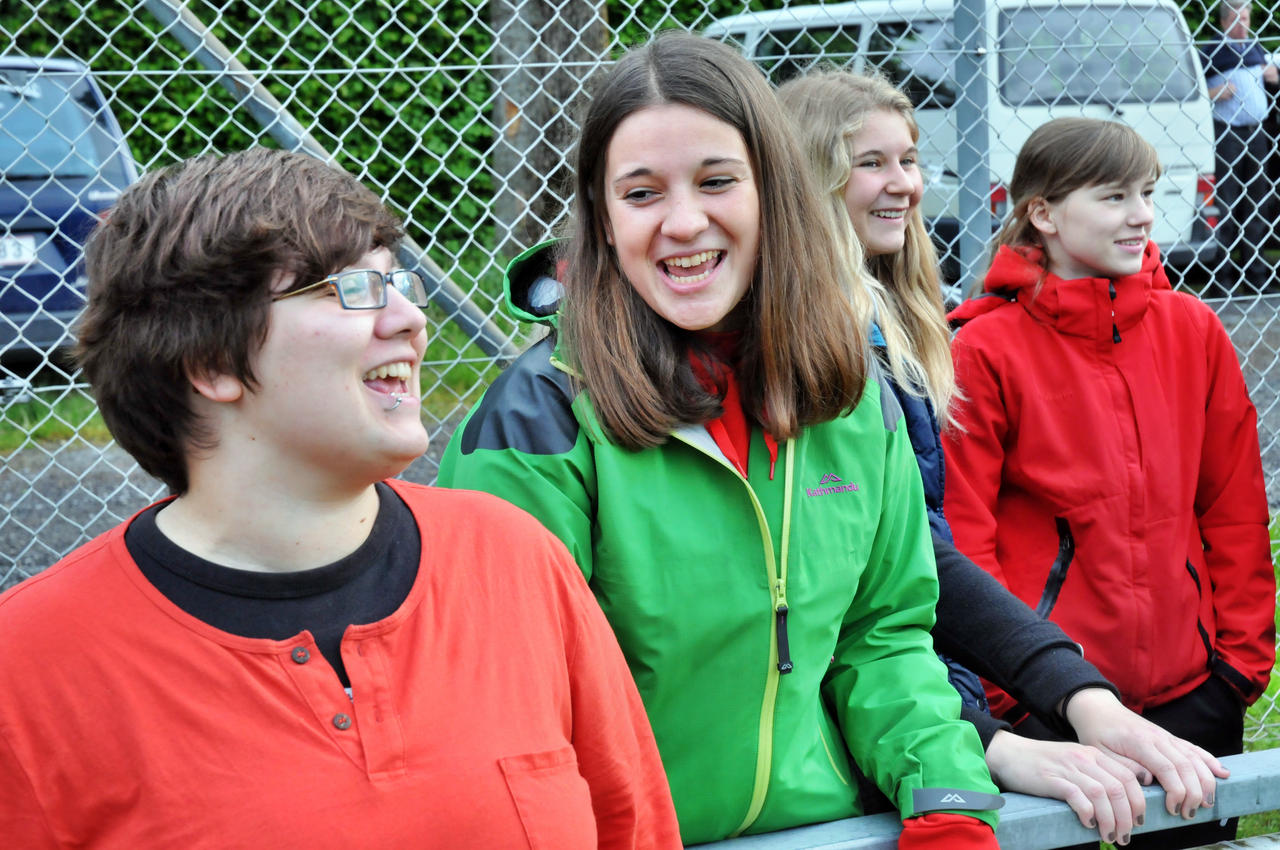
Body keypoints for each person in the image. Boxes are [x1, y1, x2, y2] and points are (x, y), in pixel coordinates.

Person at [0, 148, 682, 848]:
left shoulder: (514, 561)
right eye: (352, 289)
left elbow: (632, 827)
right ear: (210, 361)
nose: (411, 320)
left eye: (398, 283)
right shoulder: (30, 667)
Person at [439, 31, 1004, 849]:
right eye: (641, 193)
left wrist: (948, 804)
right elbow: (510, 709)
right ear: (603, 219)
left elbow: (882, 637)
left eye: (716, 181)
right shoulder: (536, 422)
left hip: (824, 831)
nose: (683, 222)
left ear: (775, 192)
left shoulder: (852, 394)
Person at [776, 69, 1232, 847]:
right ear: (805, 175)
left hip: (955, 708)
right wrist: (998, 726)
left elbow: (915, 564)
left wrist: (1083, 693)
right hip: (839, 745)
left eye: (909, 159)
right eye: (870, 163)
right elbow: (862, 600)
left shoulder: (894, 332)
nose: (904, 184)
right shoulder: (828, 353)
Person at [943, 116, 1276, 849]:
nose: (1142, 215)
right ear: (1043, 213)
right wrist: (1010, 693)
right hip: (1047, 710)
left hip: (1194, 696)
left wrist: (1237, 669)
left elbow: (1234, 512)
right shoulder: (983, 350)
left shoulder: (1194, 331)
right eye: (1115, 196)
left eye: (1147, 193)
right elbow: (964, 538)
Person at [1199, 0, 1279, 292]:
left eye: (1245, 19)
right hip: (1228, 134)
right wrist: (1213, 92)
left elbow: (1268, 80)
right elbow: (1193, 89)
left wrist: (1273, 77)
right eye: (1236, 20)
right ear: (1223, 22)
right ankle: (1221, 279)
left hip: (1256, 134)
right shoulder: (1211, 51)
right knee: (1227, 203)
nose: (1242, 25)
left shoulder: (1254, 47)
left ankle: (1255, 276)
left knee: (1256, 202)